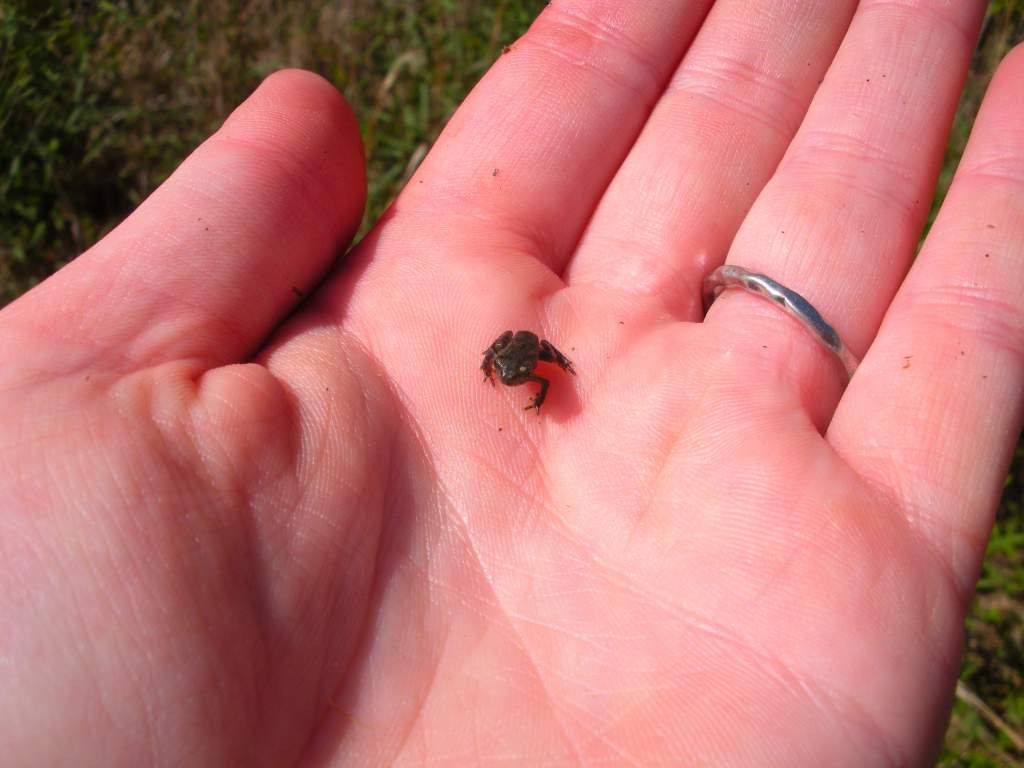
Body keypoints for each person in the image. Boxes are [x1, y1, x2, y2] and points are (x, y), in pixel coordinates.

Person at [0, 1, 1019, 765]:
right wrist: (525, 376)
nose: (536, 378)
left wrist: (534, 374)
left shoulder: (534, 364)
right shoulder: (522, 367)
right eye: (530, 375)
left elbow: (533, 359)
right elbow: (522, 362)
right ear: (520, 370)